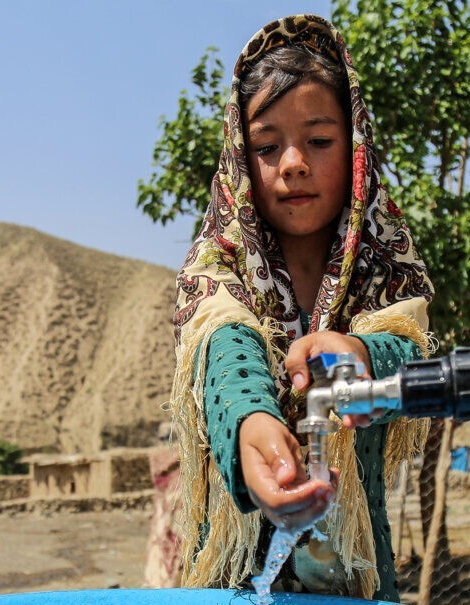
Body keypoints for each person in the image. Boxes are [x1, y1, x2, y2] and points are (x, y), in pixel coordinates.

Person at [168, 14, 436, 601]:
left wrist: (363, 351)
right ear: (242, 156)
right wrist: (252, 425)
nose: (293, 163)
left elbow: (409, 351)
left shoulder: (384, 261)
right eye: (267, 146)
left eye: (318, 141)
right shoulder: (219, 264)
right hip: (233, 571)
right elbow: (224, 348)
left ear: (357, 146)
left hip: (353, 575)